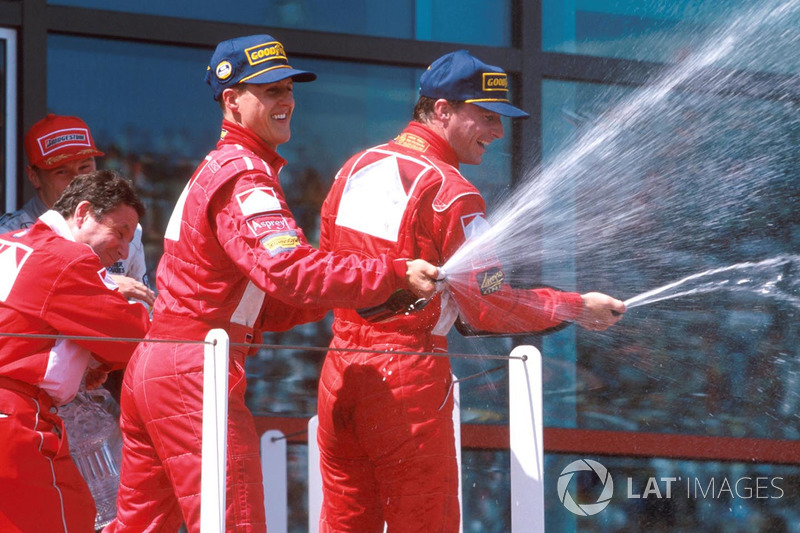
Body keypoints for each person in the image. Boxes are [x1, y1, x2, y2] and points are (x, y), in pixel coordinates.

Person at [106, 34, 438, 533]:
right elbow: (287, 272)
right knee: (234, 524)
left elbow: (265, 302)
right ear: (230, 100)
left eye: (287, 89)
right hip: (196, 370)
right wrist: (390, 273)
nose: (286, 101)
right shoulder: (246, 175)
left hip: (159, 366)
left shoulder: (219, 169)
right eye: (269, 91)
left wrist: (363, 295)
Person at [316, 49, 627, 532]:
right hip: (408, 381)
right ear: (442, 110)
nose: (498, 132)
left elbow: (327, 268)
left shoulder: (352, 169)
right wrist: (575, 306)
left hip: (339, 372)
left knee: (345, 523)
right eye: (485, 116)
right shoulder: (454, 192)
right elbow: (491, 305)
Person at [0, 170, 151, 532]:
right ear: (82, 213)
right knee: (73, 515)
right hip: (15, 422)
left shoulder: (10, 242)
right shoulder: (68, 259)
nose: (125, 250)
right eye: (119, 232)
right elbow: (136, 339)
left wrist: (81, 360)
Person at [0, 113, 155, 308]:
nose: (77, 180)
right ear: (34, 177)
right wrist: (102, 284)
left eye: (84, 167)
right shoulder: (7, 235)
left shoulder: (126, 232)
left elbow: (144, 308)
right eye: (61, 172)